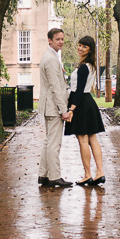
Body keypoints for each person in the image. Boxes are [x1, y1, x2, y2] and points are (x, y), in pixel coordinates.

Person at [64, 35, 105, 185]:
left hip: (81, 103)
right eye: (79, 45)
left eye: (84, 46)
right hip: (88, 102)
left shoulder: (83, 67)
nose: (80, 48)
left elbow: (79, 89)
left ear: (90, 49)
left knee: (83, 140)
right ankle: (99, 172)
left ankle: (88, 174)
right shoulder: (91, 65)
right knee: (92, 139)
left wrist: (72, 108)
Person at [38, 27, 73, 188]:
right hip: (53, 108)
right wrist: (63, 110)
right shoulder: (51, 59)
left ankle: (43, 175)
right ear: (50, 40)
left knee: (48, 141)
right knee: (54, 143)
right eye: (58, 39)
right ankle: (54, 176)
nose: (61, 42)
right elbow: (55, 87)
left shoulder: (51, 56)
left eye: (62, 39)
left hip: (48, 107)